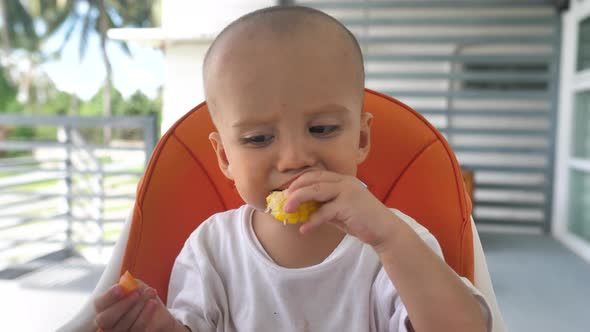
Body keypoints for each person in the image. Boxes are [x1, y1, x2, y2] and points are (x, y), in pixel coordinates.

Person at [93, 5, 492, 332]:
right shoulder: (212, 250)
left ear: (361, 140)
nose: (294, 159)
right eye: (257, 139)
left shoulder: (397, 242)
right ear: (225, 158)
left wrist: (389, 238)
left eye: (322, 129)